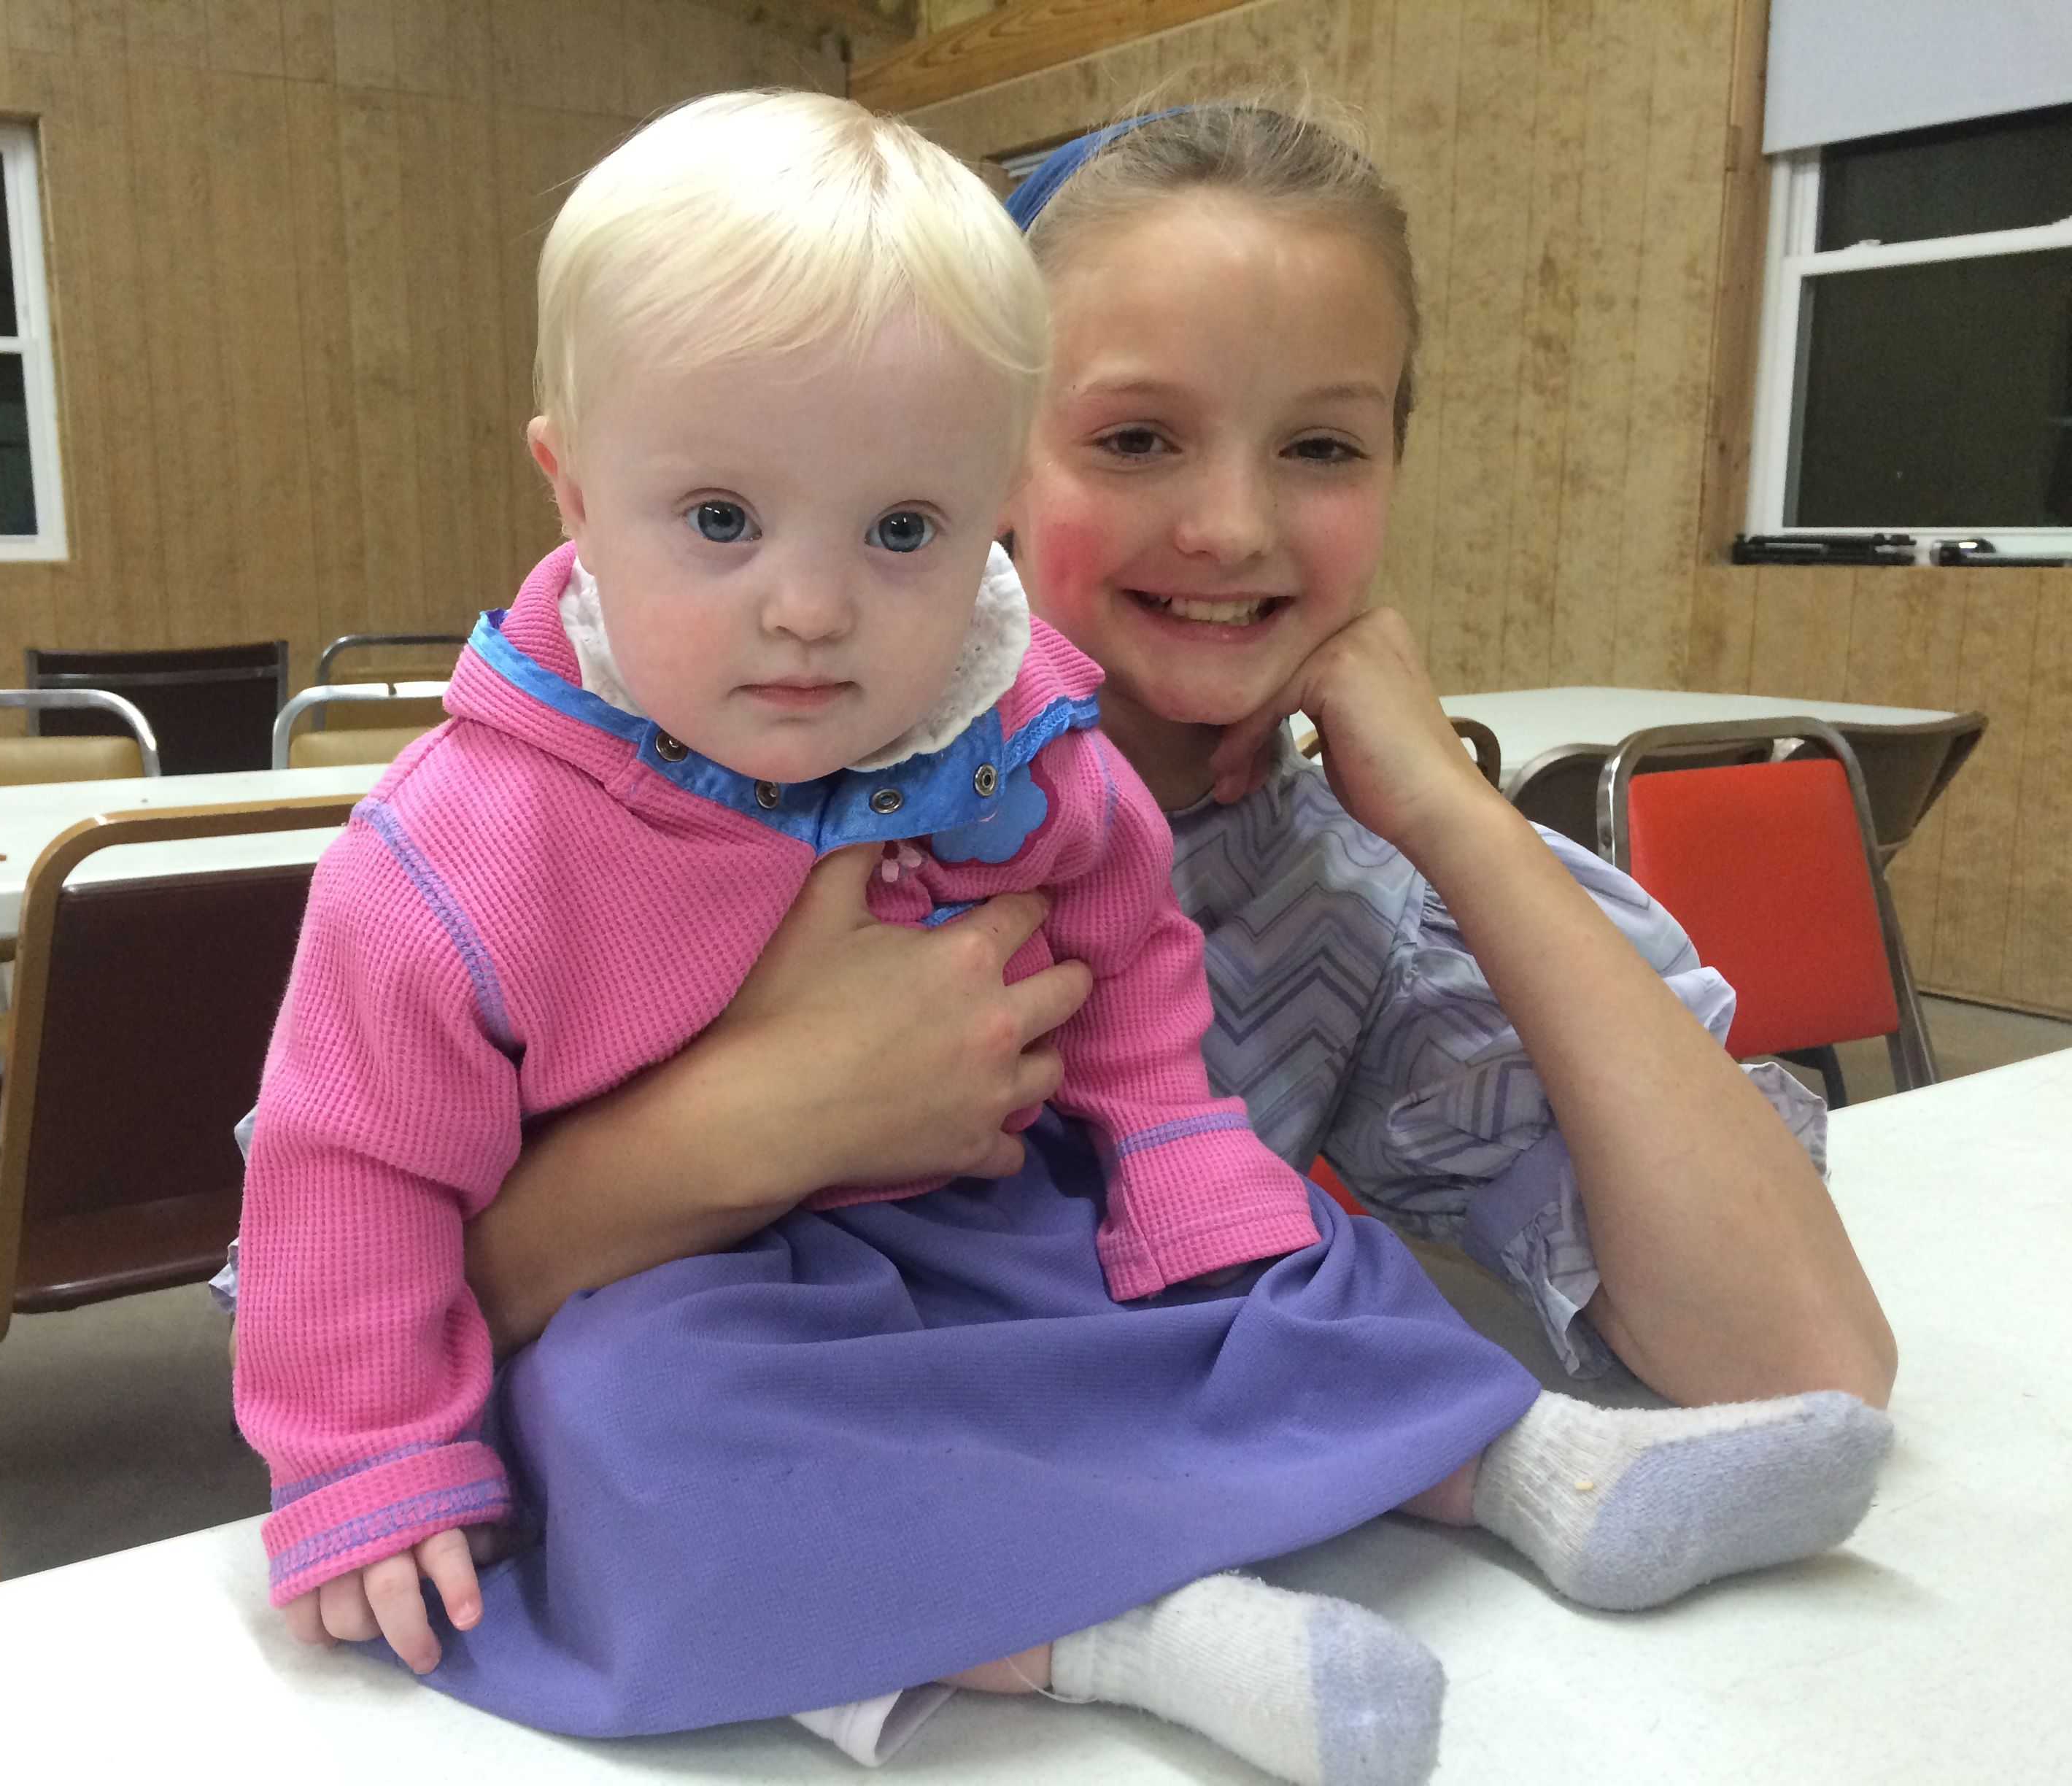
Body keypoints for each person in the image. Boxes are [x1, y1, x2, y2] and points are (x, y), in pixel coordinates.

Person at [232, 93, 1891, 1785]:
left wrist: (1454, 819)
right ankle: (1130, 1638)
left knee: (1303, 1261)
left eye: (1319, 445)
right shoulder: (485, 833)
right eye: (1136, 438)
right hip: (724, 1394)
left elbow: (1803, 1358)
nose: (1232, 524)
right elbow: (323, 1221)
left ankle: (1527, 1466)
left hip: (1083, 1322)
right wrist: (725, 1140)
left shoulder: (1274, 864)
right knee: (647, 1418)